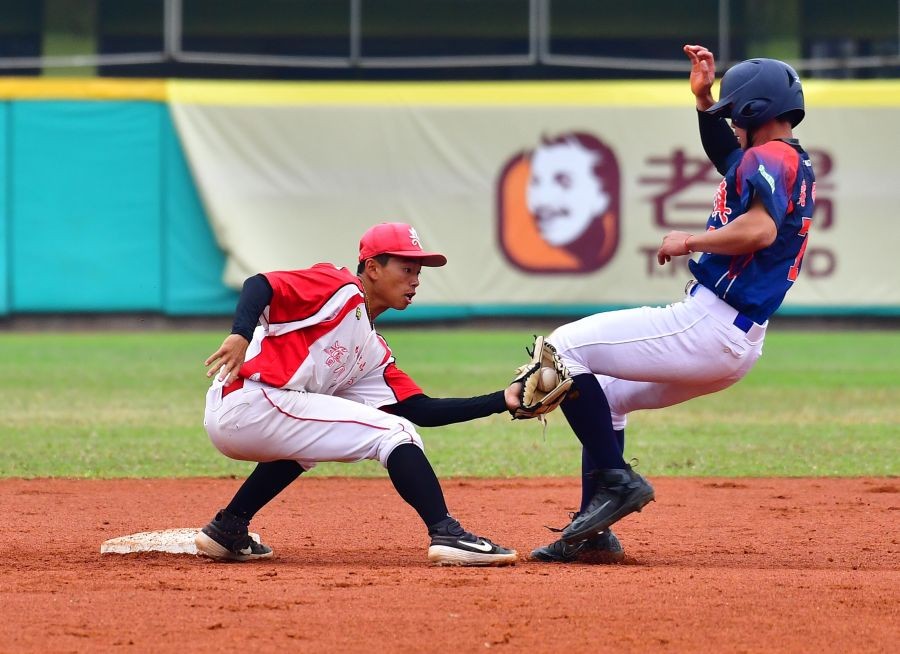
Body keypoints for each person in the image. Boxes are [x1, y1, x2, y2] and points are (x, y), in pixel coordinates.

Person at [525, 44, 816, 563]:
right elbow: (729, 159)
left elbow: (760, 229)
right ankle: (593, 534)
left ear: (754, 113)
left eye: (733, 114)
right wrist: (705, 101)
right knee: (607, 397)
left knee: (561, 348)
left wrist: (691, 240)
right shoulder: (779, 159)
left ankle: (616, 482)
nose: (730, 125)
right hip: (735, 338)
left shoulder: (770, 156)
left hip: (709, 324)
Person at [196, 222, 521, 566]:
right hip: (250, 400)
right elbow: (260, 284)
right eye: (407, 268)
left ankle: (228, 528)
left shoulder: (372, 350)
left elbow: (420, 410)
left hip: (254, 413)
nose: (416, 280)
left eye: (418, 272)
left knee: (315, 444)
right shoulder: (340, 287)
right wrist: (240, 334)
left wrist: (503, 400)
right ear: (373, 268)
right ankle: (447, 534)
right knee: (395, 434)